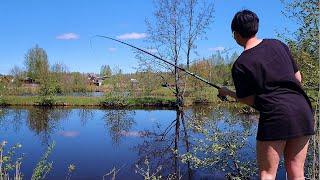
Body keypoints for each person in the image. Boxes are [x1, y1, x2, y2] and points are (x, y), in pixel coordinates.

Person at [218, 10, 315, 179]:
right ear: (256, 27)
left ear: (236, 34)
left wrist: (227, 93)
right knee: (297, 172)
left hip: (276, 115)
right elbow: (298, 78)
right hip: (302, 110)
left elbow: (248, 99)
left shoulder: (241, 64)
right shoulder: (278, 44)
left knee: (267, 174)